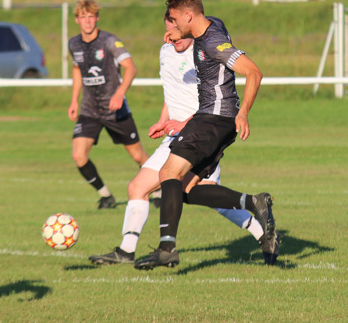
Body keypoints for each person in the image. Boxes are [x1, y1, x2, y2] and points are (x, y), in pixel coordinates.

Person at [89, 15, 277, 266]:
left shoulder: (203, 52)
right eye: (167, 31)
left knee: (194, 194)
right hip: (176, 135)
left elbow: (210, 101)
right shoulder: (165, 52)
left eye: (176, 30)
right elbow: (171, 93)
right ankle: (126, 250)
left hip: (200, 131)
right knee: (140, 187)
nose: (172, 37)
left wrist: (184, 123)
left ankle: (261, 231)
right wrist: (163, 120)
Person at [134, 0, 278, 270]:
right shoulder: (212, 24)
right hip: (216, 122)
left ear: (188, 15)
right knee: (184, 189)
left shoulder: (213, 42)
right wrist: (181, 34)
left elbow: (254, 72)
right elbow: (201, 27)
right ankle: (253, 201)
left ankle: (167, 249)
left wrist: (244, 113)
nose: (172, 26)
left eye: (174, 20)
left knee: (167, 174)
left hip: (213, 119)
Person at [67, 0, 148, 209]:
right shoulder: (73, 44)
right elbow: (77, 69)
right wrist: (74, 100)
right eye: (82, 17)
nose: (87, 21)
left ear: (97, 18)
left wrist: (120, 93)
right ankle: (106, 195)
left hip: (115, 109)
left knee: (138, 155)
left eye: (91, 16)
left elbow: (130, 68)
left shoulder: (110, 41)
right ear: (76, 20)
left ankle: (157, 190)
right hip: (89, 110)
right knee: (78, 155)